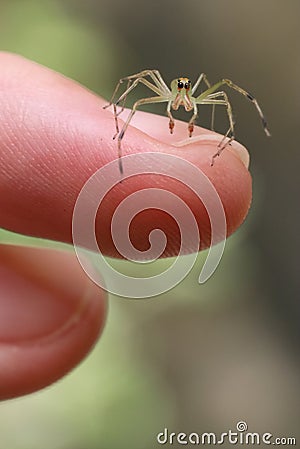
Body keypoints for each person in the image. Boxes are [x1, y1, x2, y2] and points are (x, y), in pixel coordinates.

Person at [0, 52, 252, 400]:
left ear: (189, 92)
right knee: (146, 79)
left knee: (225, 92)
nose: (181, 96)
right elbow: (140, 77)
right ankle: (117, 123)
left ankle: (210, 137)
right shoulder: (164, 90)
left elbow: (228, 93)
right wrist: (116, 109)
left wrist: (195, 117)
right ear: (176, 90)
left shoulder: (194, 94)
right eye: (179, 93)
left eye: (185, 94)